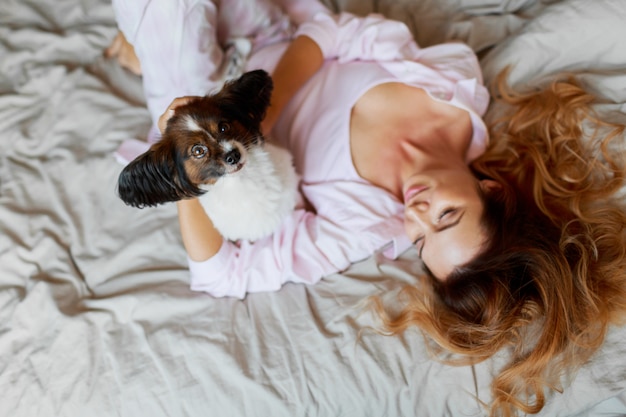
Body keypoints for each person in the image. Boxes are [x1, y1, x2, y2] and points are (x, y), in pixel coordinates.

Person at [106, 0, 626, 416]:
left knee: (171, 14)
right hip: (270, 35)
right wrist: (252, 115)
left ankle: (155, 57)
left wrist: (185, 177)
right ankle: (148, 53)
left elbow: (221, 275)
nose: (417, 214)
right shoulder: (454, 86)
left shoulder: (363, 224)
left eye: (420, 241)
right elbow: (334, 34)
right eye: (447, 216)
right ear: (492, 191)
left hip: (201, 118)